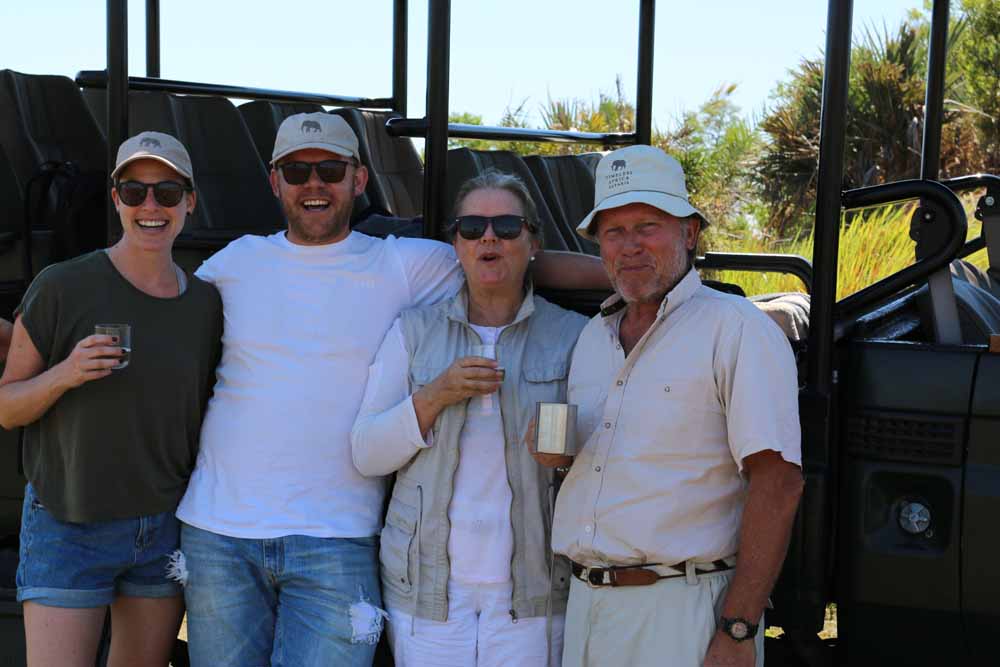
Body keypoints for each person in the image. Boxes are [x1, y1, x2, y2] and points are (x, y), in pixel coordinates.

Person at [174, 112, 608, 667]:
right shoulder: (236, 262)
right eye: (297, 171)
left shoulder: (404, 264)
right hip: (218, 530)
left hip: (338, 535)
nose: (314, 184)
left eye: (331, 170)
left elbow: (510, 260)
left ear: (358, 179)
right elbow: (164, 306)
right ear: (275, 181)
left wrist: (626, 276)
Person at [530, 145, 804, 667]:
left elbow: (779, 483)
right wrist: (558, 457)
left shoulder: (736, 329)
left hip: (682, 611)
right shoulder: (594, 337)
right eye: (614, 231)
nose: (630, 245)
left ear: (690, 233)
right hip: (587, 605)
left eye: (647, 226)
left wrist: (739, 628)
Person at [0, 131, 222, 667]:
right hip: (68, 521)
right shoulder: (62, 286)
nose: (151, 206)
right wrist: (66, 374)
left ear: (190, 202)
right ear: (116, 198)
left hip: (162, 526)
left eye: (167, 192)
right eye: (135, 191)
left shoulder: (207, 304)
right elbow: (7, 408)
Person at [352, 170, 587, 667]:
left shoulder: (574, 337)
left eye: (507, 226)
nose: (489, 238)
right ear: (455, 244)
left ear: (533, 242)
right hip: (428, 594)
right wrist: (435, 395)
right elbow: (367, 453)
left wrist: (565, 460)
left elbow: (604, 460)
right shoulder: (414, 332)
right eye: (472, 227)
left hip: (534, 594)